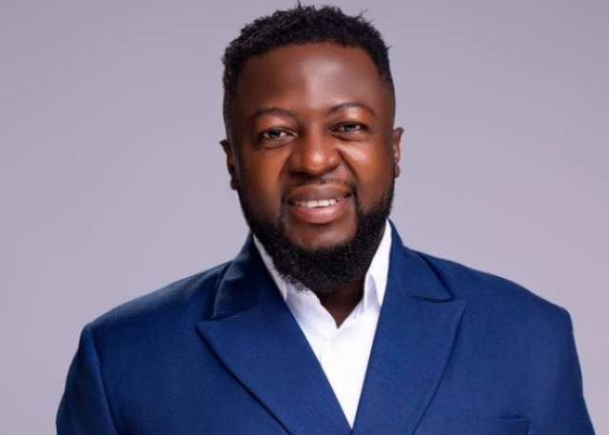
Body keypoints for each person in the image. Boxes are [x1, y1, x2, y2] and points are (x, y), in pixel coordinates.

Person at [57, 5, 595, 435]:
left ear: (394, 149)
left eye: (349, 126)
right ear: (233, 163)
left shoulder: (529, 335)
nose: (314, 160)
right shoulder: (124, 358)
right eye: (275, 133)